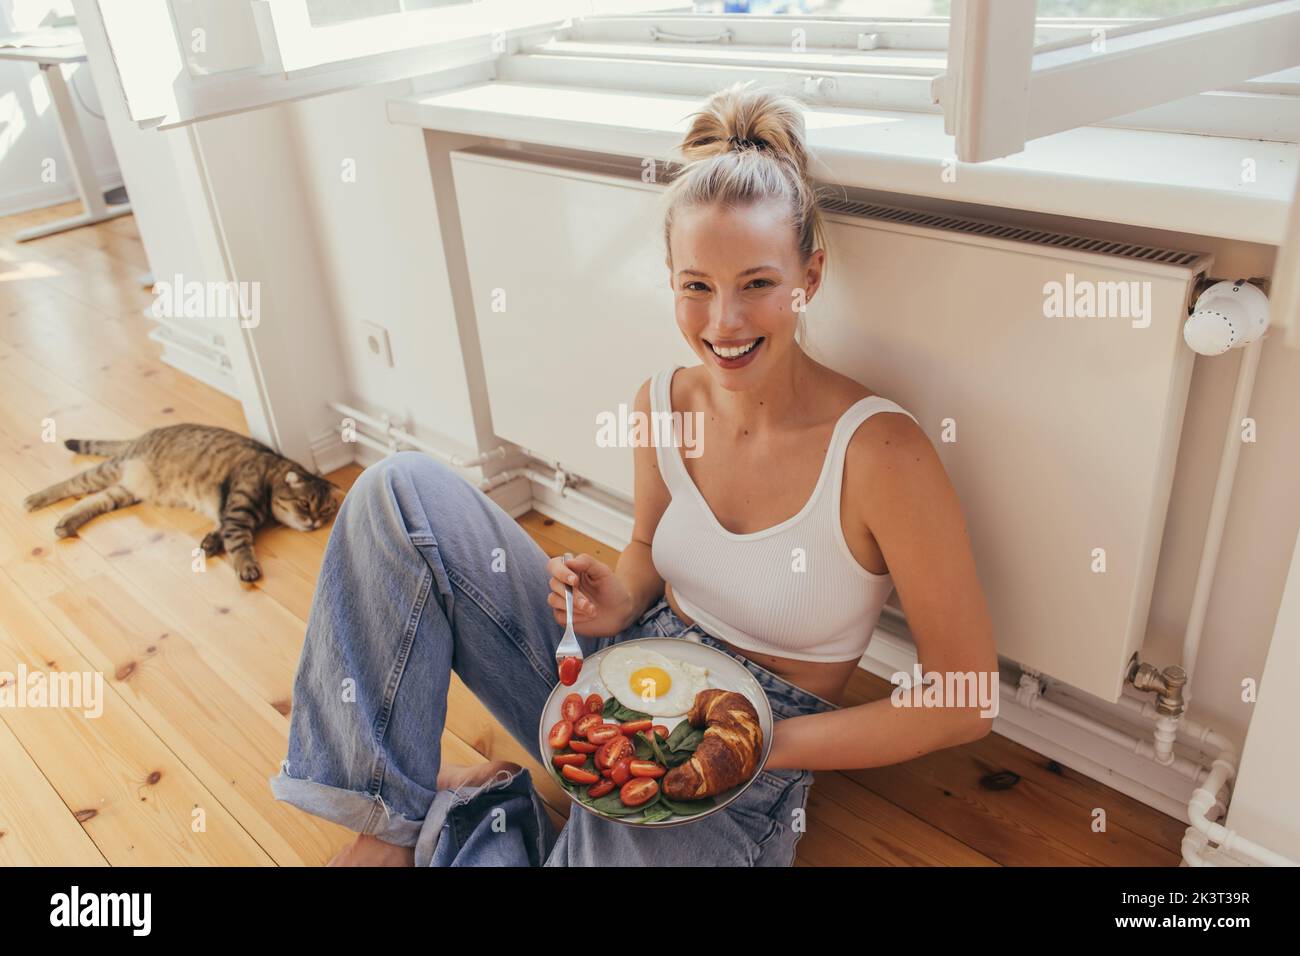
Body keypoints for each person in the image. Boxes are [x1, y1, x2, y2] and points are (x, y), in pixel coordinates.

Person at [269, 80, 997, 866]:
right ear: (673, 281)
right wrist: (617, 597)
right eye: (697, 287)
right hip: (626, 669)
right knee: (395, 493)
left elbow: (968, 698)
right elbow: (648, 545)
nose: (724, 323)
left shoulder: (882, 453)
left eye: (757, 284)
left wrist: (760, 744)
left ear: (808, 279)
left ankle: (481, 814)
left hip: (756, 740)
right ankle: (390, 823)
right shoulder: (661, 402)